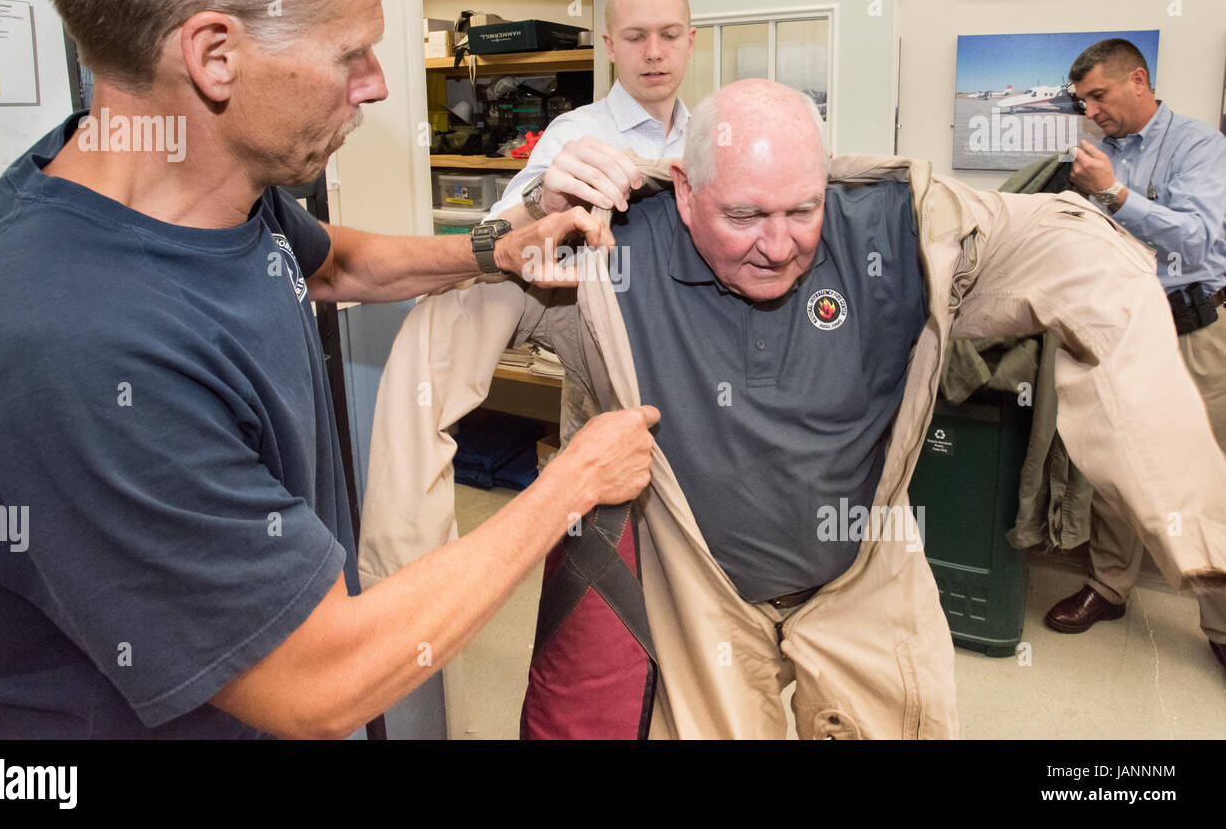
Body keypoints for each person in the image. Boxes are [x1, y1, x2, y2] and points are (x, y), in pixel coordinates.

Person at [0, 0, 660, 739]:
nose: (379, 84)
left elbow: (332, 264)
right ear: (214, 55)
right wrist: (572, 484)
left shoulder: (211, 190)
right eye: (349, 53)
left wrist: (490, 248)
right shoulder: (62, 351)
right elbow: (324, 681)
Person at [359, 79, 1226, 738]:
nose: (779, 243)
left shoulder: (902, 229)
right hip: (700, 593)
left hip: (865, 574)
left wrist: (1196, 525)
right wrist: (404, 596)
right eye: (743, 215)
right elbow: (448, 322)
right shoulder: (608, 251)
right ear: (685, 191)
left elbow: (1087, 253)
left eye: (801, 208)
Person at [1047, 38, 1226, 670]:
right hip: (1119, 329)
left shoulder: (1198, 145)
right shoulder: (1098, 154)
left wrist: (1116, 194)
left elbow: (1200, 243)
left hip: (1191, 329)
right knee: (1112, 464)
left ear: (1138, 80)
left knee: (1201, 478)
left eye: (1098, 95)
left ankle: (1221, 626)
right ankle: (1110, 586)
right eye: (1082, 100)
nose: (1090, 110)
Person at [488, 0, 694, 227]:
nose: (654, 52)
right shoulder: (572, 135)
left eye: (670, 35)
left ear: (690, 42)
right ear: (610, 47)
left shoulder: (706, 138)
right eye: (635, 37)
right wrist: (542, 204)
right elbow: (494, 235)